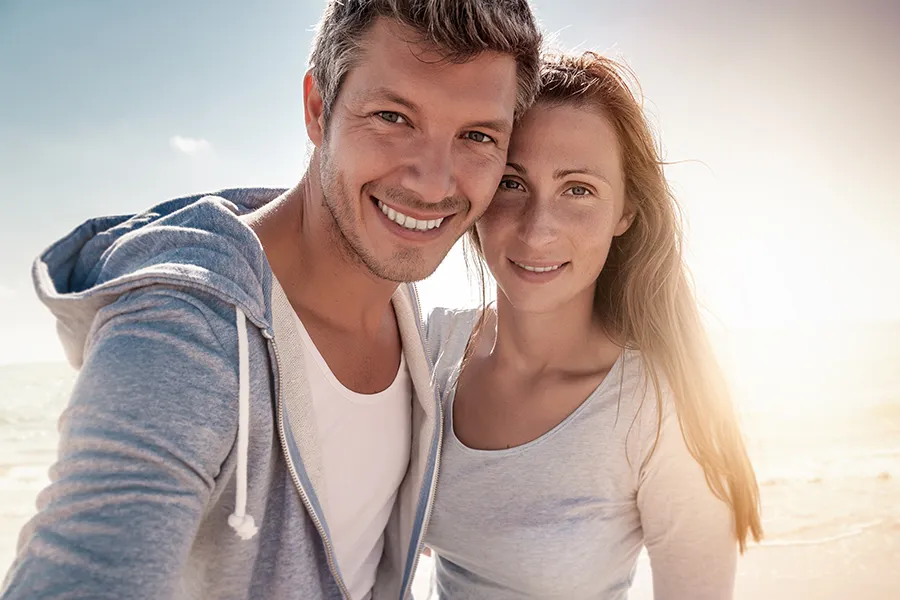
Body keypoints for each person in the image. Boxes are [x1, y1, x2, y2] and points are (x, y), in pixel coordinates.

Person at [1, 2, 541, 599]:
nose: (434, 183)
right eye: (393, 117)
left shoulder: (402, 303)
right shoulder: (185, 335)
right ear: (318, 109)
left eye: (476, 136)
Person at [424, 52, 763, 600]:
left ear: (625, 210)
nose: (538, 230)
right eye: (512, 183)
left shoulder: (657, 408)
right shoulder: (427, 349)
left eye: (577, 189)